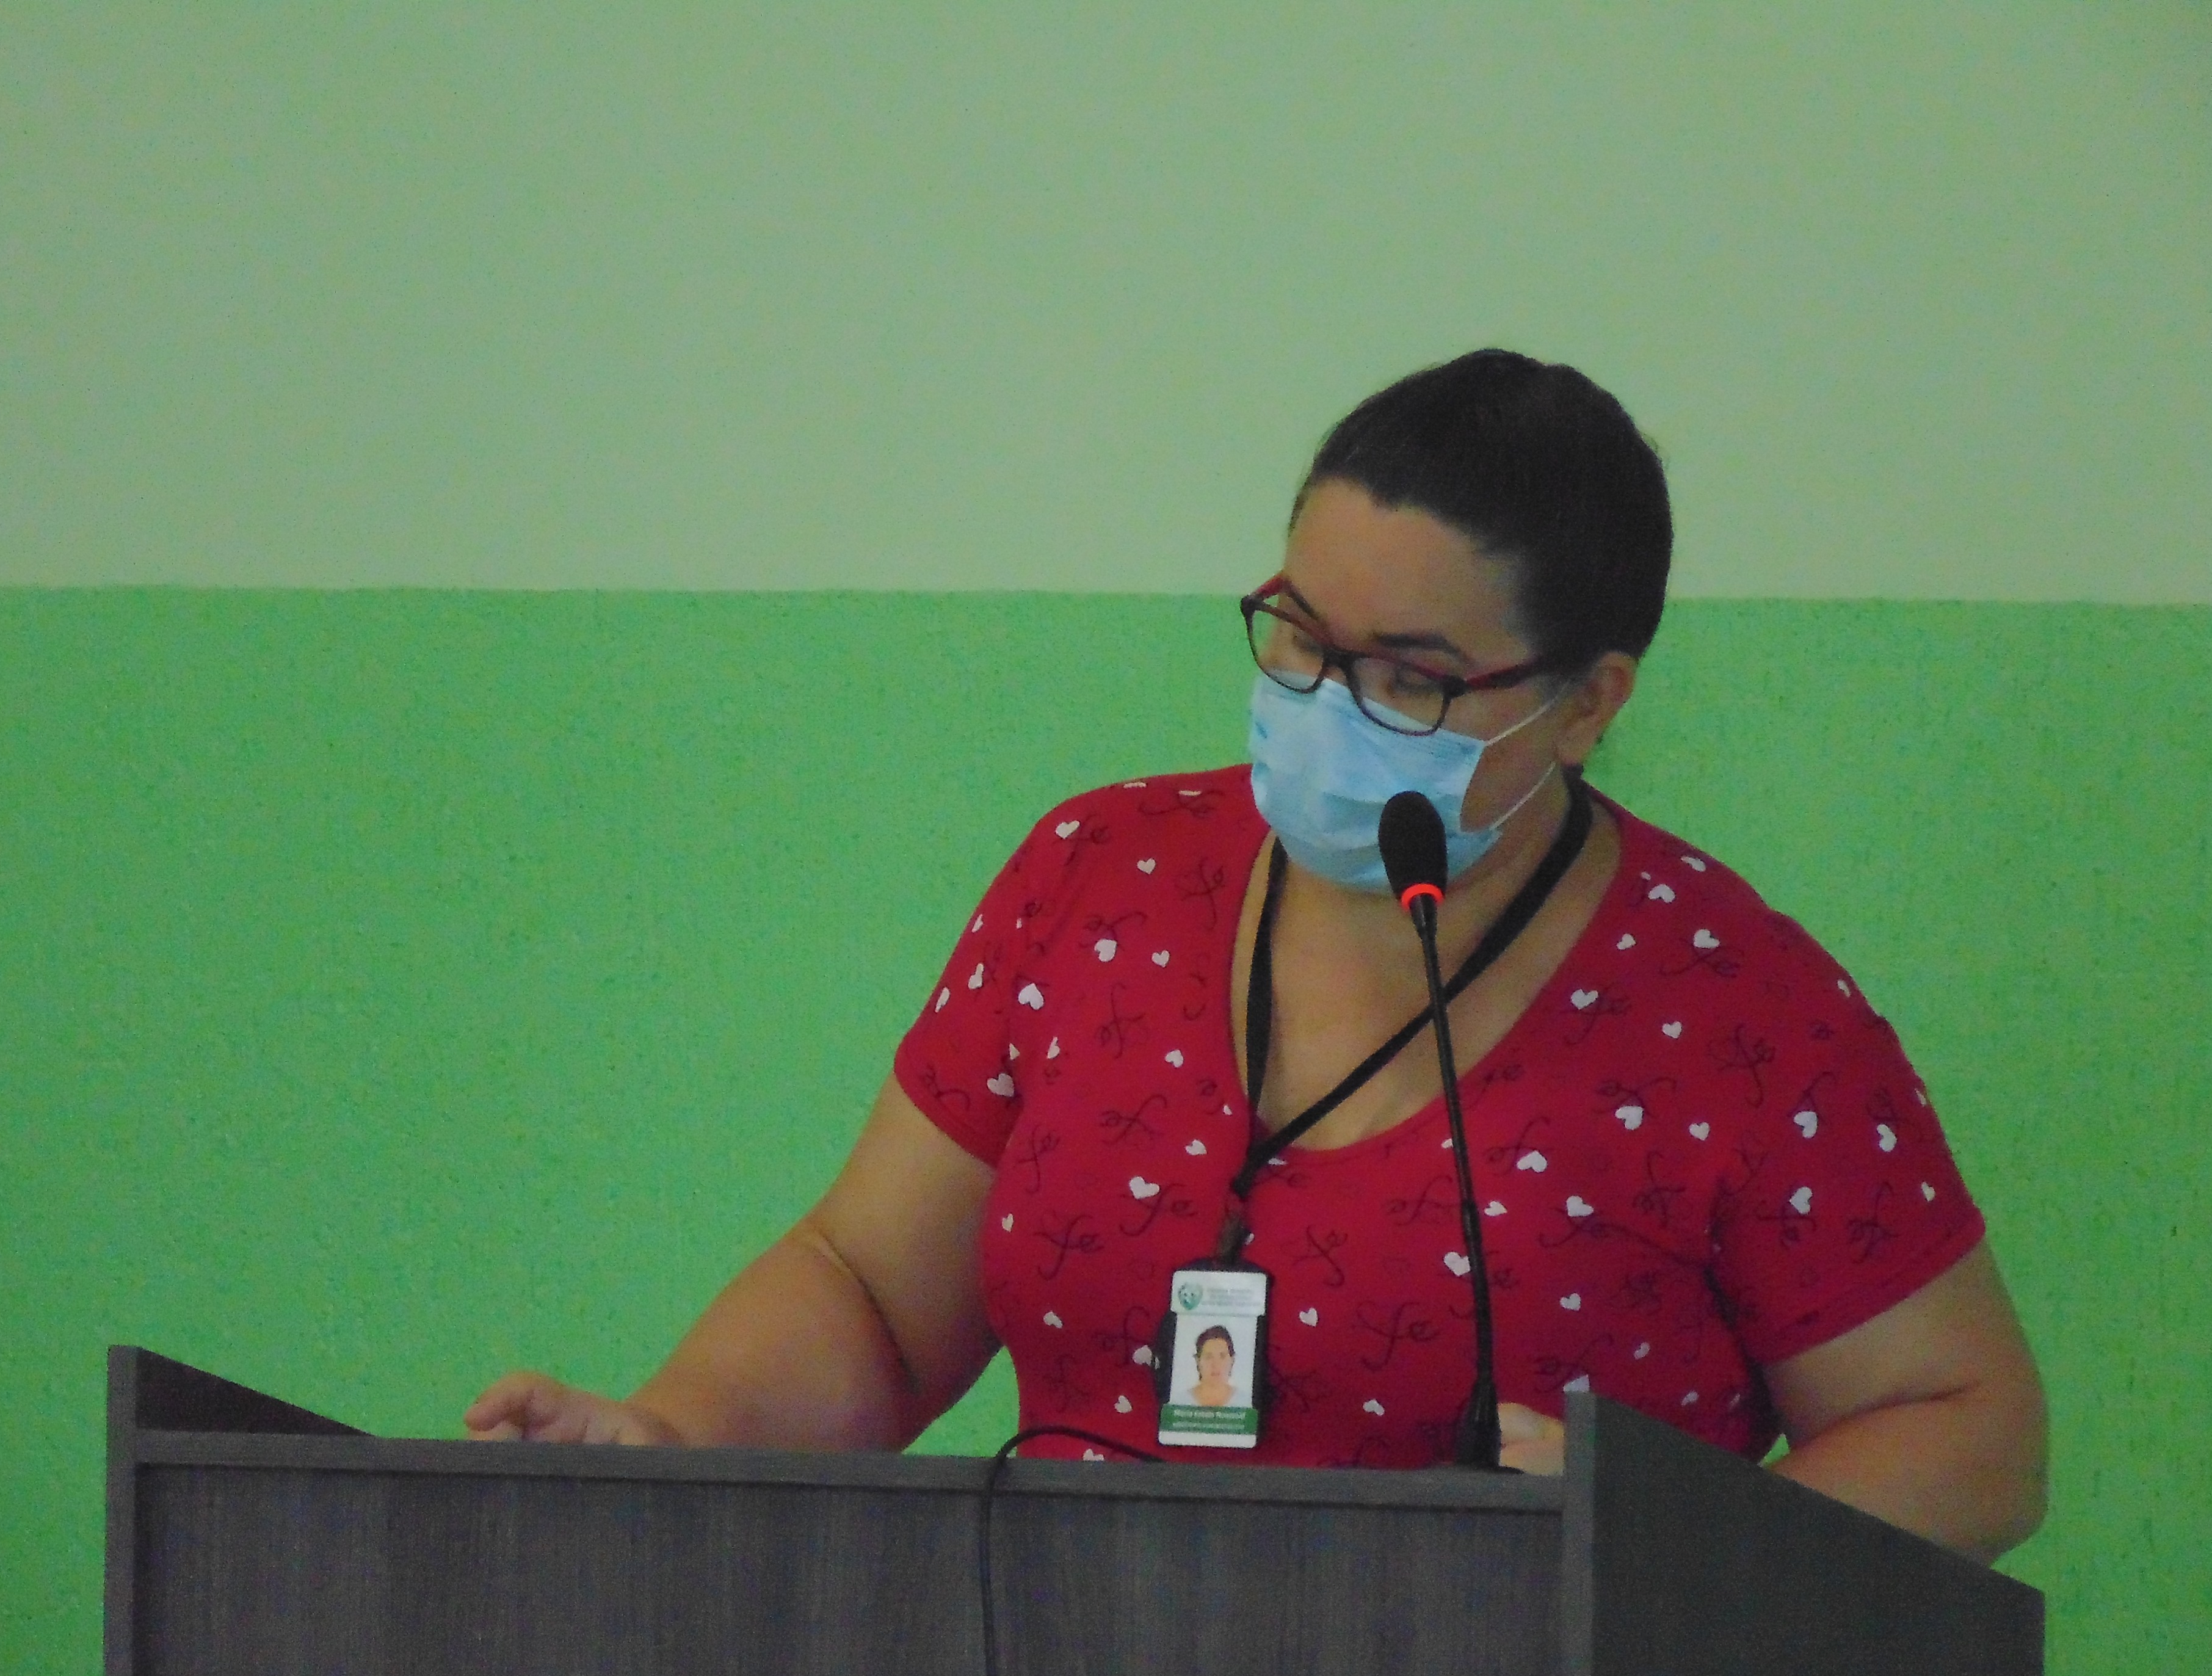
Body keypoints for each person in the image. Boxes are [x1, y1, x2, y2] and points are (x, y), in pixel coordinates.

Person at [468, 349, 2048, 1564]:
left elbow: (1971, 1435)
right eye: (1298, 634)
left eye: (1411, 677)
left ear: (1587, 703)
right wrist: (671, 1434)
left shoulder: (1737, 1013)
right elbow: (873, 1299)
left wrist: (1676, 1534)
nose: (1326, 703)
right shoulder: (1100, 877)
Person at [1188, 1327, 1242, 1409]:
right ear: (1198, 1361)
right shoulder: (1181, 1401)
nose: (1216, 1364)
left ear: (1232, 1360)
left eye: (1222, 1356)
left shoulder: (1244, 1401)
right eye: (1209, 1357)